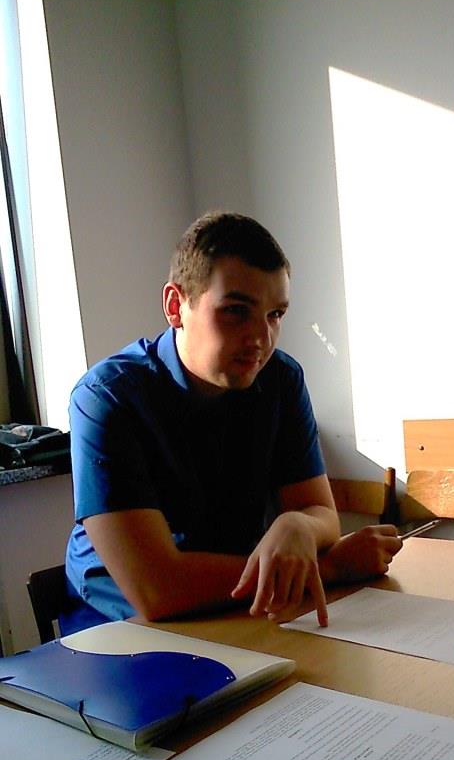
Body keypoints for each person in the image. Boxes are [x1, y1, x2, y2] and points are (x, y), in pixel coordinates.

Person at [64, 212, 402, 634]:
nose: (260, 338)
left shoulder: (280, 379)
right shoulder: (106, 397)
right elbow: (157, 589)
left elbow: (320, 512)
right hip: (118, 627)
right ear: (176, 306)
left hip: (239, 607)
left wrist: (297, 523)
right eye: (236, 311)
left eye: (275, 314)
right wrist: (329, 567)